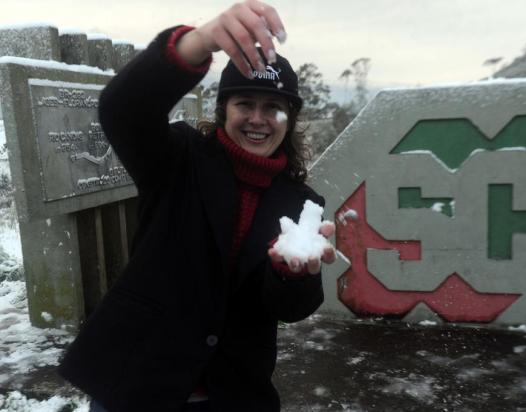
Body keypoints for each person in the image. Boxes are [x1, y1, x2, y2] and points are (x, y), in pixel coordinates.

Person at [58, 1, 336, 411]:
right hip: (138, 386)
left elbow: (293, 308)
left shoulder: (301, 203)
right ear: (224, 109)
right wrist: (198, 41)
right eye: (244, 103)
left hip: (233, 394)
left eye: (273, 107)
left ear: (289, 119)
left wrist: (291, 274)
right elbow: (123, 109)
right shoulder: (178, 159)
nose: (258, 118)